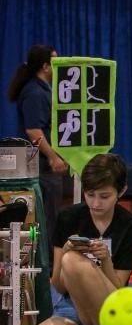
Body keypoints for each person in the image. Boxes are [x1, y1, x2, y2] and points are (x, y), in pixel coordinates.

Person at [29, 154, 132, 325]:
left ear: (122, 192)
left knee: (74, 261)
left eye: (104, 196)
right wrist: (64, 251)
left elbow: (120, 292)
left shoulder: (131, 226)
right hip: (72, 311)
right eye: (90, 194)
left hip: (111, 312)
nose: (96, 203)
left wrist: (106, 261)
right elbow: (59, 286)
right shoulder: (68, 218)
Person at [6, 44, 68, 244]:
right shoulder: (35, 92)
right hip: (39, 165)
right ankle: (47, 260)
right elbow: (34, 131)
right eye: (55, 61)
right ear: (45, 66)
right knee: (46, 214)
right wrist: (52, 156)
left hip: (41, 164)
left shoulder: (42, 90)